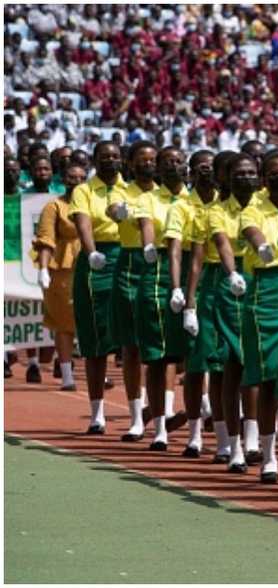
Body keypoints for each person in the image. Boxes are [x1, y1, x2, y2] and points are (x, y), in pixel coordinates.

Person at [238, 150, 278, 483]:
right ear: (264, 179)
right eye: (275, 173)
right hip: (266, 291)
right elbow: (251, 231)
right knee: (267, 379)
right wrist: (262, 246)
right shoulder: (253, 207)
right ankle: (268, 454)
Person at [133, 145, 192, 451]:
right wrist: (148, 246)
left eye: (178, 161)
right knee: (158, 355)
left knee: (193, 354)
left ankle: (199, 428)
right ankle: (159, 427)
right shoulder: (148, 198)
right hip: (157, 273)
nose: (173, 166)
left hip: (192, 272)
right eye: (166, 162)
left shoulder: (194, 200)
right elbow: (146, 225)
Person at [209, 152, 261, 473]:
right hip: (232, 284)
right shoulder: (217, 210)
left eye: (251, 172)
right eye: (239, 173)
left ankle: (253, 439)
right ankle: (234, 444)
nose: (245, 178)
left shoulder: (264, 205)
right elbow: (222, 243)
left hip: (263, 280)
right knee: (234, 361)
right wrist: (232, 273)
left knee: (256, 362)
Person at [107, 141, 159, 442]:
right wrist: (121, 212)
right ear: (130, 163)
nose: (148, 164)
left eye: (152, 159)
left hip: (161, 265)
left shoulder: (166, 194)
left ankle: (163, 409)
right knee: (132, 347)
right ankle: (137, 416)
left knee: (163, 346)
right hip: (130, 265)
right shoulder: (121, 191)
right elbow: (114, 210)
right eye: (142, 159)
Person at [69, 141, 123, 433]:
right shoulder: (84, 190)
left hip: (128, 258)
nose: (110, 160)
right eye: (105, 156)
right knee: (95, 338)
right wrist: (91, 253)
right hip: (97, 261)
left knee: (134, 340)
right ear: (94, 160)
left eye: (115, 156)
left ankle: (141, 411)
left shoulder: (131, 189)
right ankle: (97, 413)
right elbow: (83, 223)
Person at [169, 150, 219, 458]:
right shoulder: (182, 205)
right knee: (196, 361)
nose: (207, 172)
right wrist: (181, 292)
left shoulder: (225, 203)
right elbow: (176, 248)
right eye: (201, 167)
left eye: (212, 167)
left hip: (222, 276)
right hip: (194, 275)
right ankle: (194, 433)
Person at [33, 161, 85, 391]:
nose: (77, 182)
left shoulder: (91, 205)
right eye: (72, 177)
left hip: (89, 265)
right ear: (63, 180)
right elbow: (45, 239)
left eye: (81, 178)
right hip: (62, 269)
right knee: (64, 322)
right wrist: (43, 268)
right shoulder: (54, 206)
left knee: (91, 321)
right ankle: (66, 375)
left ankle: (97, 371)